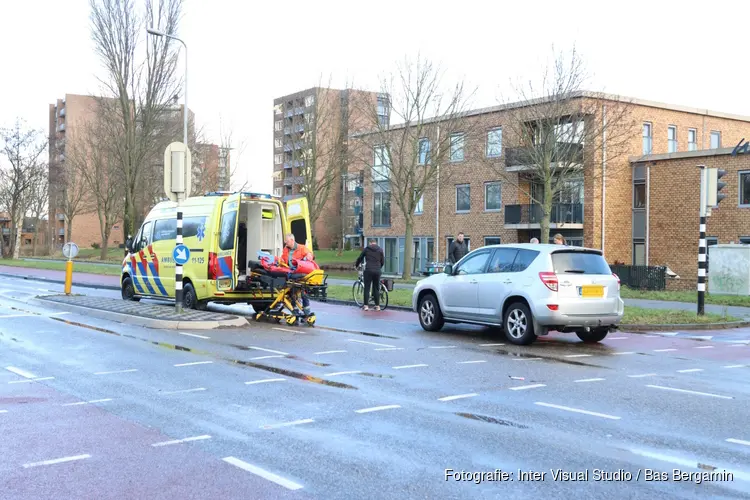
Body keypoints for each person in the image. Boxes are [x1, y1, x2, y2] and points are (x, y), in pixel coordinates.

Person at [281, 233, 314, 315]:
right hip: (290, 271)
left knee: (302, 291)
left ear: (292, 240)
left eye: (287, 241)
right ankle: (295, 310)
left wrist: (308, 257)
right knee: (292, 291)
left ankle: (307, 312)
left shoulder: (301, 248)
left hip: (299, 271)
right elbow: (283, 259)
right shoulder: (286, 249)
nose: (286, 243)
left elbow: (309, 255)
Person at [355, 238, 385, 311]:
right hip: (377, 270)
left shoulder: (367, 249)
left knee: (367, 288)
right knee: (376, 288)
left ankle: (366, 306)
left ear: (370, 243)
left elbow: (360, 258)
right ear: (375, 243)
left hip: (368, 270)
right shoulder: (380, 250)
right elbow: (382, 261)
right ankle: (377, 306)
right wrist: (378, 267)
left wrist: (356, 265)